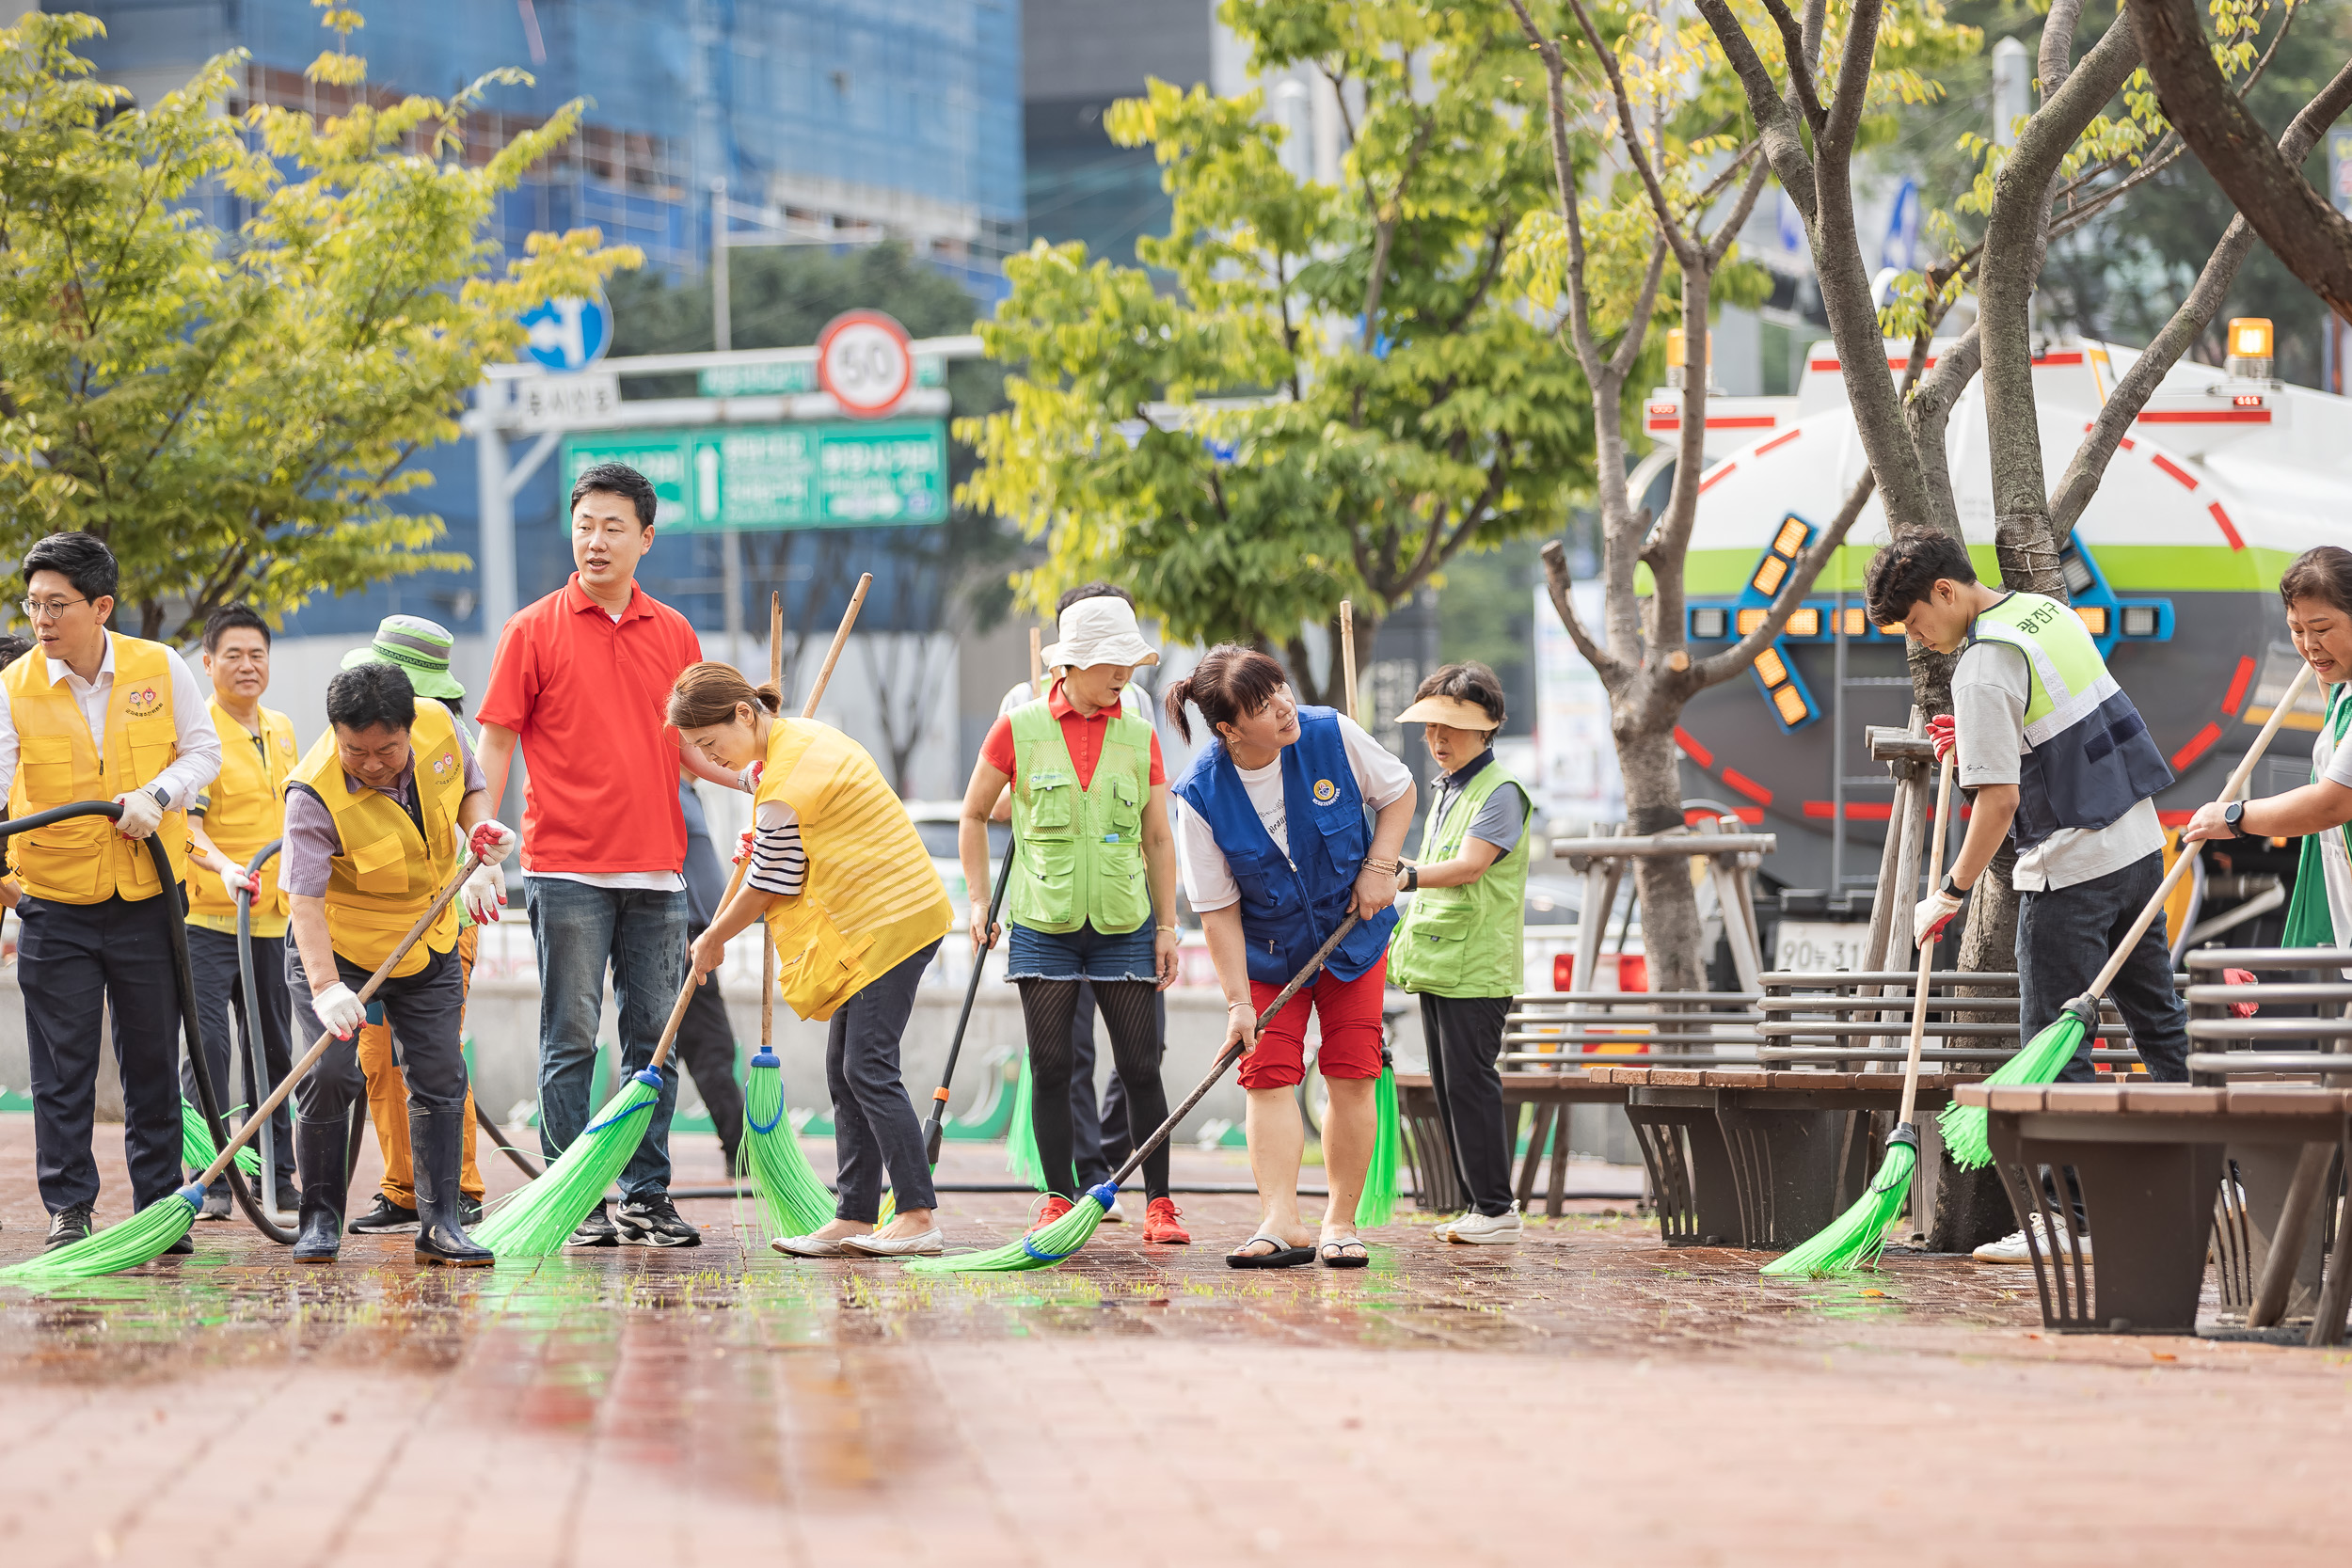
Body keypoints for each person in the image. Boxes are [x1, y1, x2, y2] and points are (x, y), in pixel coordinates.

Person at [1865, 532, 2184, 1266]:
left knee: (2052, 1051)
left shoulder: (1980, 666)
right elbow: (2057, 727)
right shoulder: (2041, 613)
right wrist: (1973, 743)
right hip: (2137, 845)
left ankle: (2074, 1221)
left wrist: (1949, 891)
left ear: (1944, 592)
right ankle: (2202, 1181)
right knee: (2157, 1019)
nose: (1917, 638)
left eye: (1913, 622)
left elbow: (1999, 802)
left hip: (2070, 869)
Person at [475, 461, 748, 1250]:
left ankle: (645, 1193)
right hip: (565, 869)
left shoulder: (675, 634)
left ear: (646, 538)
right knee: (570, 1038)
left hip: (658, 871)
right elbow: (495, 741)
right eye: (584, 523)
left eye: (612, 526)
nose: (594, 540)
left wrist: (751, 775)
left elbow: (695, 747)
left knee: (651, 1040)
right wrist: (483, 837)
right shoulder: (530, 629)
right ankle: (573, 1195)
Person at [670, 662, 955, 1258]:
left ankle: (918, 1214)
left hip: (890, 924)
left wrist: (713, 936)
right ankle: (854, 1215)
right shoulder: (799, 742)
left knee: (868, 1067)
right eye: (696, 749)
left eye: (710, 744)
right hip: (877, 921)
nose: (710, 758)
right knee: (845, 1069)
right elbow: (764, 801)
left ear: (744, 716)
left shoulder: (787, 778)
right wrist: (765, 825)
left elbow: (772, 878)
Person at [0, 532, 221, 1253]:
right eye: (32, 603)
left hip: (146, 896)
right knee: (61, 1066)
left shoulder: (160, 666)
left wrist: (158, 794)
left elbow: (203, 749)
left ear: (101, 606)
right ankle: (70, 1210)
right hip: (54, 903)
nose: (41, 619)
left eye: (56, 604)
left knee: (152, 1060)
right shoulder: (13, 686)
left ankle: (159, 1205)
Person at [1168, 646, 1415, 1268]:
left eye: (1280, 688)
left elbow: (1399, 791)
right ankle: (1282, 1219)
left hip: (1350, 939)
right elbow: (1218, 909)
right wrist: (1236, 1003)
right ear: (1228, 729)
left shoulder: (1332, 733)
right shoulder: (1200, 794)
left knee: (1351, 1072)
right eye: (1262, 704)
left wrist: (1381, 866)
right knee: (1267, 1073)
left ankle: (1339, 1221)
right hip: (1268, 954)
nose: (1284, 707)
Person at [961, 593, 1188, 1243]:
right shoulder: (1018, 726)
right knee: (1054, 1065)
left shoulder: (1140, 735)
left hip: (1124, 923)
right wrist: (980, 901)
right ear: (1072, 664)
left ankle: (1161, 1203)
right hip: (1043, 921)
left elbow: (1157, 839)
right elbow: (975, 813)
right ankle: (1057, 1198)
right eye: (1111, 662)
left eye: (1129, 661)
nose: (1124, 673)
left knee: (1142, 1066)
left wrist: (1167, 926)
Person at [282, 662, 513, 1265]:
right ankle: (319, 1219)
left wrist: (480, 838)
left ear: (409, 730)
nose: (371, 763)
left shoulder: (439, 724)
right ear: (336, 733)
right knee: (331, 1075)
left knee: (439, 1076)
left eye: (386, 749)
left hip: (426, 939)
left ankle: (441, 1224)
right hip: (341, 949)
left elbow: (469, 785)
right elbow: (301, 902)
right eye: (355, 750)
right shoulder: (312, 793)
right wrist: (327, 987)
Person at [336, 617, 491, 1234]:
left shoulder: (450, 740)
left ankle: (459, 1188)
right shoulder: (362, 740)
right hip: (368, 932)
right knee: (377, 1057)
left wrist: (478, 863)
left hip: (437, 924)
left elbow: (474, 809)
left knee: (433, 1059)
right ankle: (404, 1186)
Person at [1389, 663, 1532, 1246]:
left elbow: (1471, 865)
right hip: (1442, 962)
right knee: (1452, 1085)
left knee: (1472, 1082)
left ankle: (1496, 1208)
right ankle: (1481, 1205)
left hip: (1476, 965)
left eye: (1450, 728)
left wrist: (1403, 878)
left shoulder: (1500, 792)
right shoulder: (1450, 788)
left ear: (1488, 728)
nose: (1437, 740)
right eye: (1429, 728)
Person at [181, 604, 302, 1220]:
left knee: (274, 1051)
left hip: (274, 921)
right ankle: (212, 1179)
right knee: (207, 1051)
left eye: (257, 654)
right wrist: (227, 868)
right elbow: (187, 828)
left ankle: (278, 1173)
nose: (247, 665)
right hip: (208, 922)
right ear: (208, 662)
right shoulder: (197, 733)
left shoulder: (282, 727)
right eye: (233, 654)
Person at [2184, 546, 2352, 948]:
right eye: (2297, 630)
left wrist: (2235, 816)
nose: (2309, 644)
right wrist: (2327, 656)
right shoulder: (2344, 690)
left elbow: (2332, 803)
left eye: (2322, 627)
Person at [675, 777, 746, 1172]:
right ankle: (742, 1151)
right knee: (708, 1051)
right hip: (682, 938)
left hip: (700, 937)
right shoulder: (666, 788)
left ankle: (741, 1150)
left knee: (702, 1052)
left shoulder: (688, 792)